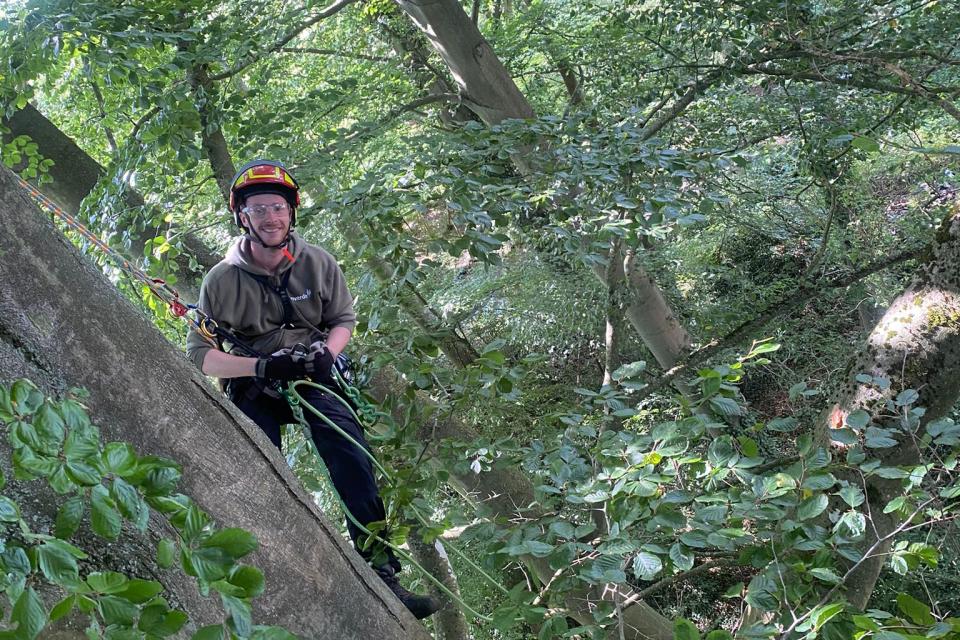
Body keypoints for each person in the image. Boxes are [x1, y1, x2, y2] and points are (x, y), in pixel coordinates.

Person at [186, 159, 441, 619]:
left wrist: (327, 353)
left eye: (278, 207)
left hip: (313, 373)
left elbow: (343, 319)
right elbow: (201, 355)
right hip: (256, 382)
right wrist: (261, 366)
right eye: (259, 208)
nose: (271, 217)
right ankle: (267, 568)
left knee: (350, 454)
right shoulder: (221, 281)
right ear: (242, 216)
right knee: (257, 464)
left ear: (291, 212)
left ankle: (381, 571)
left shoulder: (318, 263)